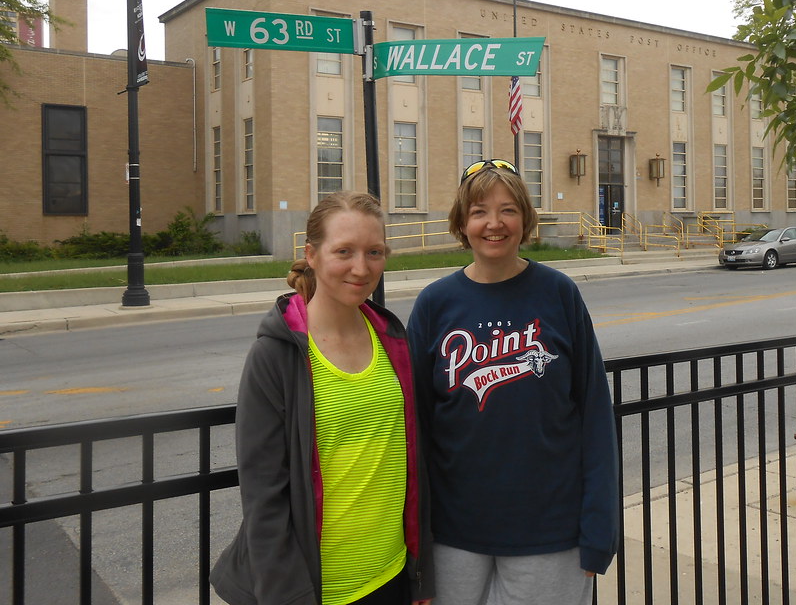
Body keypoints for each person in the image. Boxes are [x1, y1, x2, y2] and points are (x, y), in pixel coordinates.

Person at [406, 159, 618, 605]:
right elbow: (414, 430)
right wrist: (414, 539)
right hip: (452, 533)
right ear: (462, 223)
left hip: (550, 531)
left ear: (525, 218)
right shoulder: (434, 304)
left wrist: (599, 527)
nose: (494, 223)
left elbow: (595, 414)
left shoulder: (559, 293)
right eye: (479, 211)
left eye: (508, 210)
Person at [211, 191, 433, 605]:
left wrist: (421, 574)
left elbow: (413, 466)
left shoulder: (392, 339)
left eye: (374, 252)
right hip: (317, 590)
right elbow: (264, 497)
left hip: (392, 576)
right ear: (311, 255)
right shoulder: (276, 354)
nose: (361, 268)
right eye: (344, 251)